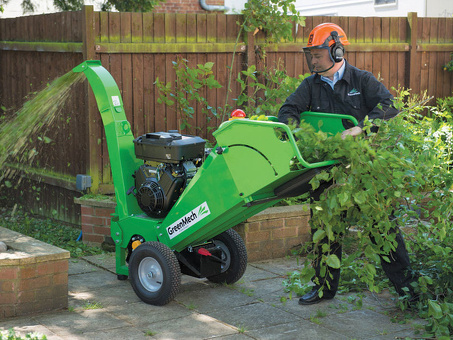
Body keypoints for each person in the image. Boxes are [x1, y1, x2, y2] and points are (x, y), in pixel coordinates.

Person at [278, 23, 417, 305]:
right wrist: (294, 132)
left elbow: (388, 105)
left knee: (383, 229)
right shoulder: (310, 85)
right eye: (311, 54)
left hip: (363, 169)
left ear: (337, 50)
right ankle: (323, 288)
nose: (313, 60)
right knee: (325, 231)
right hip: (326, 170)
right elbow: (287, 110)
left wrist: (362, 128)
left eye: (318, 53)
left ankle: (408, 290)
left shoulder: (361, 80)